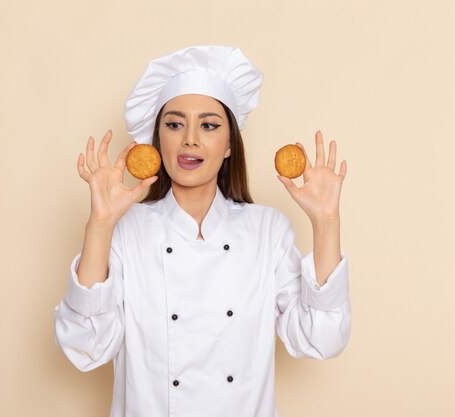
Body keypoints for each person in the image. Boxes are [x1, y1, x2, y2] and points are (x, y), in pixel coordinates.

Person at [54, 45, 351, 417]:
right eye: (175, 124)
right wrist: (99, 225)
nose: (190, 139)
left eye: (209, 125)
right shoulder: (127, 231)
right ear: (157, 140)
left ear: (229, 145)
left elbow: (320, 339)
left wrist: (326, 225)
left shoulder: (267, 232)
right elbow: (85, 347)